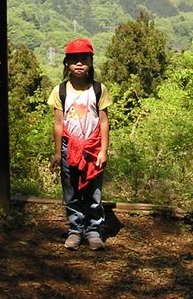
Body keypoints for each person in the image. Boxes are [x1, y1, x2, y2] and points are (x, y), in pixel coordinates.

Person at [48, 38, 112, 250]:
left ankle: (94, 230)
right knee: (71, 189)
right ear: (67, 63)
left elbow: (103, 121)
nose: (79, 64)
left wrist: (103, 149)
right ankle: (75, 229)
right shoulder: (60, 91)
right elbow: (58, 123)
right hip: (69, 148)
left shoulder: (98, 89)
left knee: (94, 190)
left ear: (91, 63)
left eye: (83, 59)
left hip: (93, 148)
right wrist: (58, 152)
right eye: (74, 60)